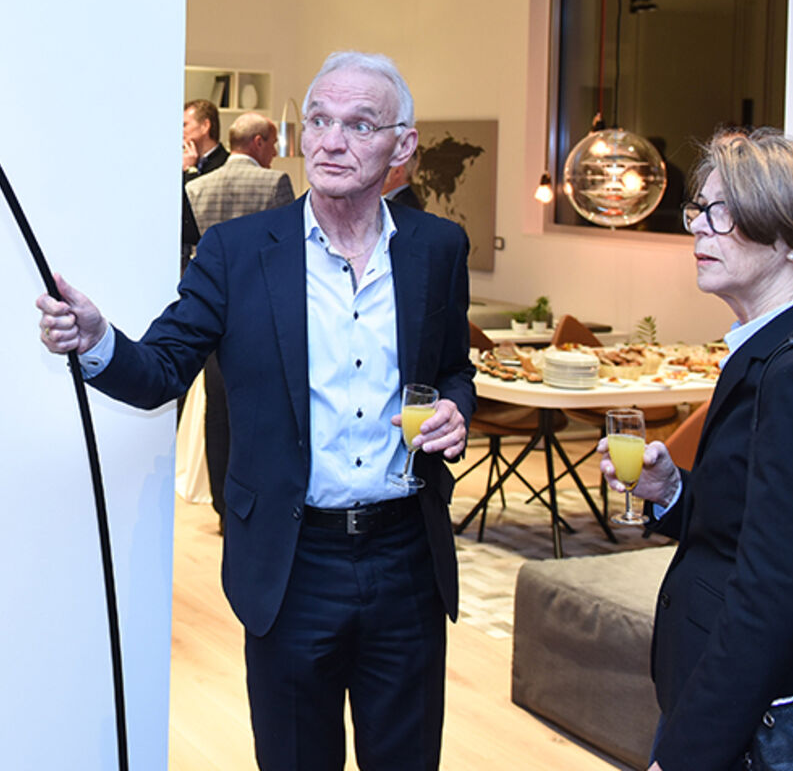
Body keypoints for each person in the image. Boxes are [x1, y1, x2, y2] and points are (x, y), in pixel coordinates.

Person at [38, 51, 473, 771]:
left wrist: (455, 406)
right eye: (319, 121)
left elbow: (453, 367)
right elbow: (161, 370)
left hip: (406, 561)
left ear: (402, 146)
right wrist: (97, 341)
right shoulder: (237, 253)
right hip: (292, 563)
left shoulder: (437, 249)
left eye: (359, 125)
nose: (331, 141)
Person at [597, 127, 793, 771]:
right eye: (699, 209)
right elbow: (754, 530)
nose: (699, 228)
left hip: (754, 724)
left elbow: (771, 596)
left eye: (723, 212)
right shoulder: (778, 352)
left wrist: (685, 754)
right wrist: (674, 491)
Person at [184, 112, 296, 528]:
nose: (275, 152)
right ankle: (254, 504)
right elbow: (288, 256)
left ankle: (222, 505)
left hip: (212, 312)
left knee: (217, 410)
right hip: (263, 315)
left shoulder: (196, 187)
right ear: (259, 142)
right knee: (260, 411)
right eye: (273, 143)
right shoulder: (275, 183)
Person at [181, 98, 228, 266]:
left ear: (205, 126)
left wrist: (190, 172)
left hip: (215, 257)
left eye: (185, 125)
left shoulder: (226, 164)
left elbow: (199, 213)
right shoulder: (182, 162)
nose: (180, 131)